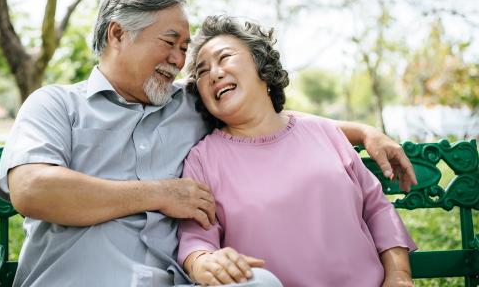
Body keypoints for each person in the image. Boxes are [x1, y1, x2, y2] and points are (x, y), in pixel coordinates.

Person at [0, 0, 417, 287]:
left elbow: (267, 117)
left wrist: (362, 132)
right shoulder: (55, 105)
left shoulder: (191, 105)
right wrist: (158, 194)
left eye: (184, 50)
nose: (180, 61)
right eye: (171, 43)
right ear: (118, 34)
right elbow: (32, 190)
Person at [178, 15, 417, 287]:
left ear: (261, 66)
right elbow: (196, 239)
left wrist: (399, 274)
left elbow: (377, 209)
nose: (214, 73)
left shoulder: (323, 131)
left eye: (225, 58)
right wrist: (201, 262)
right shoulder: (203, 159)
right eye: (202, 71)